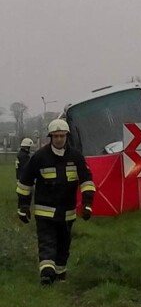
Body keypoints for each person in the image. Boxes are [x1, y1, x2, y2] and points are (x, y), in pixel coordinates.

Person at [16, 119, 95, 285]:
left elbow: (87, 180)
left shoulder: (76, 157)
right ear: (50, 137)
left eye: (62, 136)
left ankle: (60, 274)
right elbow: (25, 182)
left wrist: (87, 204)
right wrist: (23, 206)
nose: (59, 139)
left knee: (63, 245)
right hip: (45, 211)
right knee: (47, 242)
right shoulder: (39, 157)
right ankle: (46, 274)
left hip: (67, 212)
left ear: (67, 136)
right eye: (55, 136)